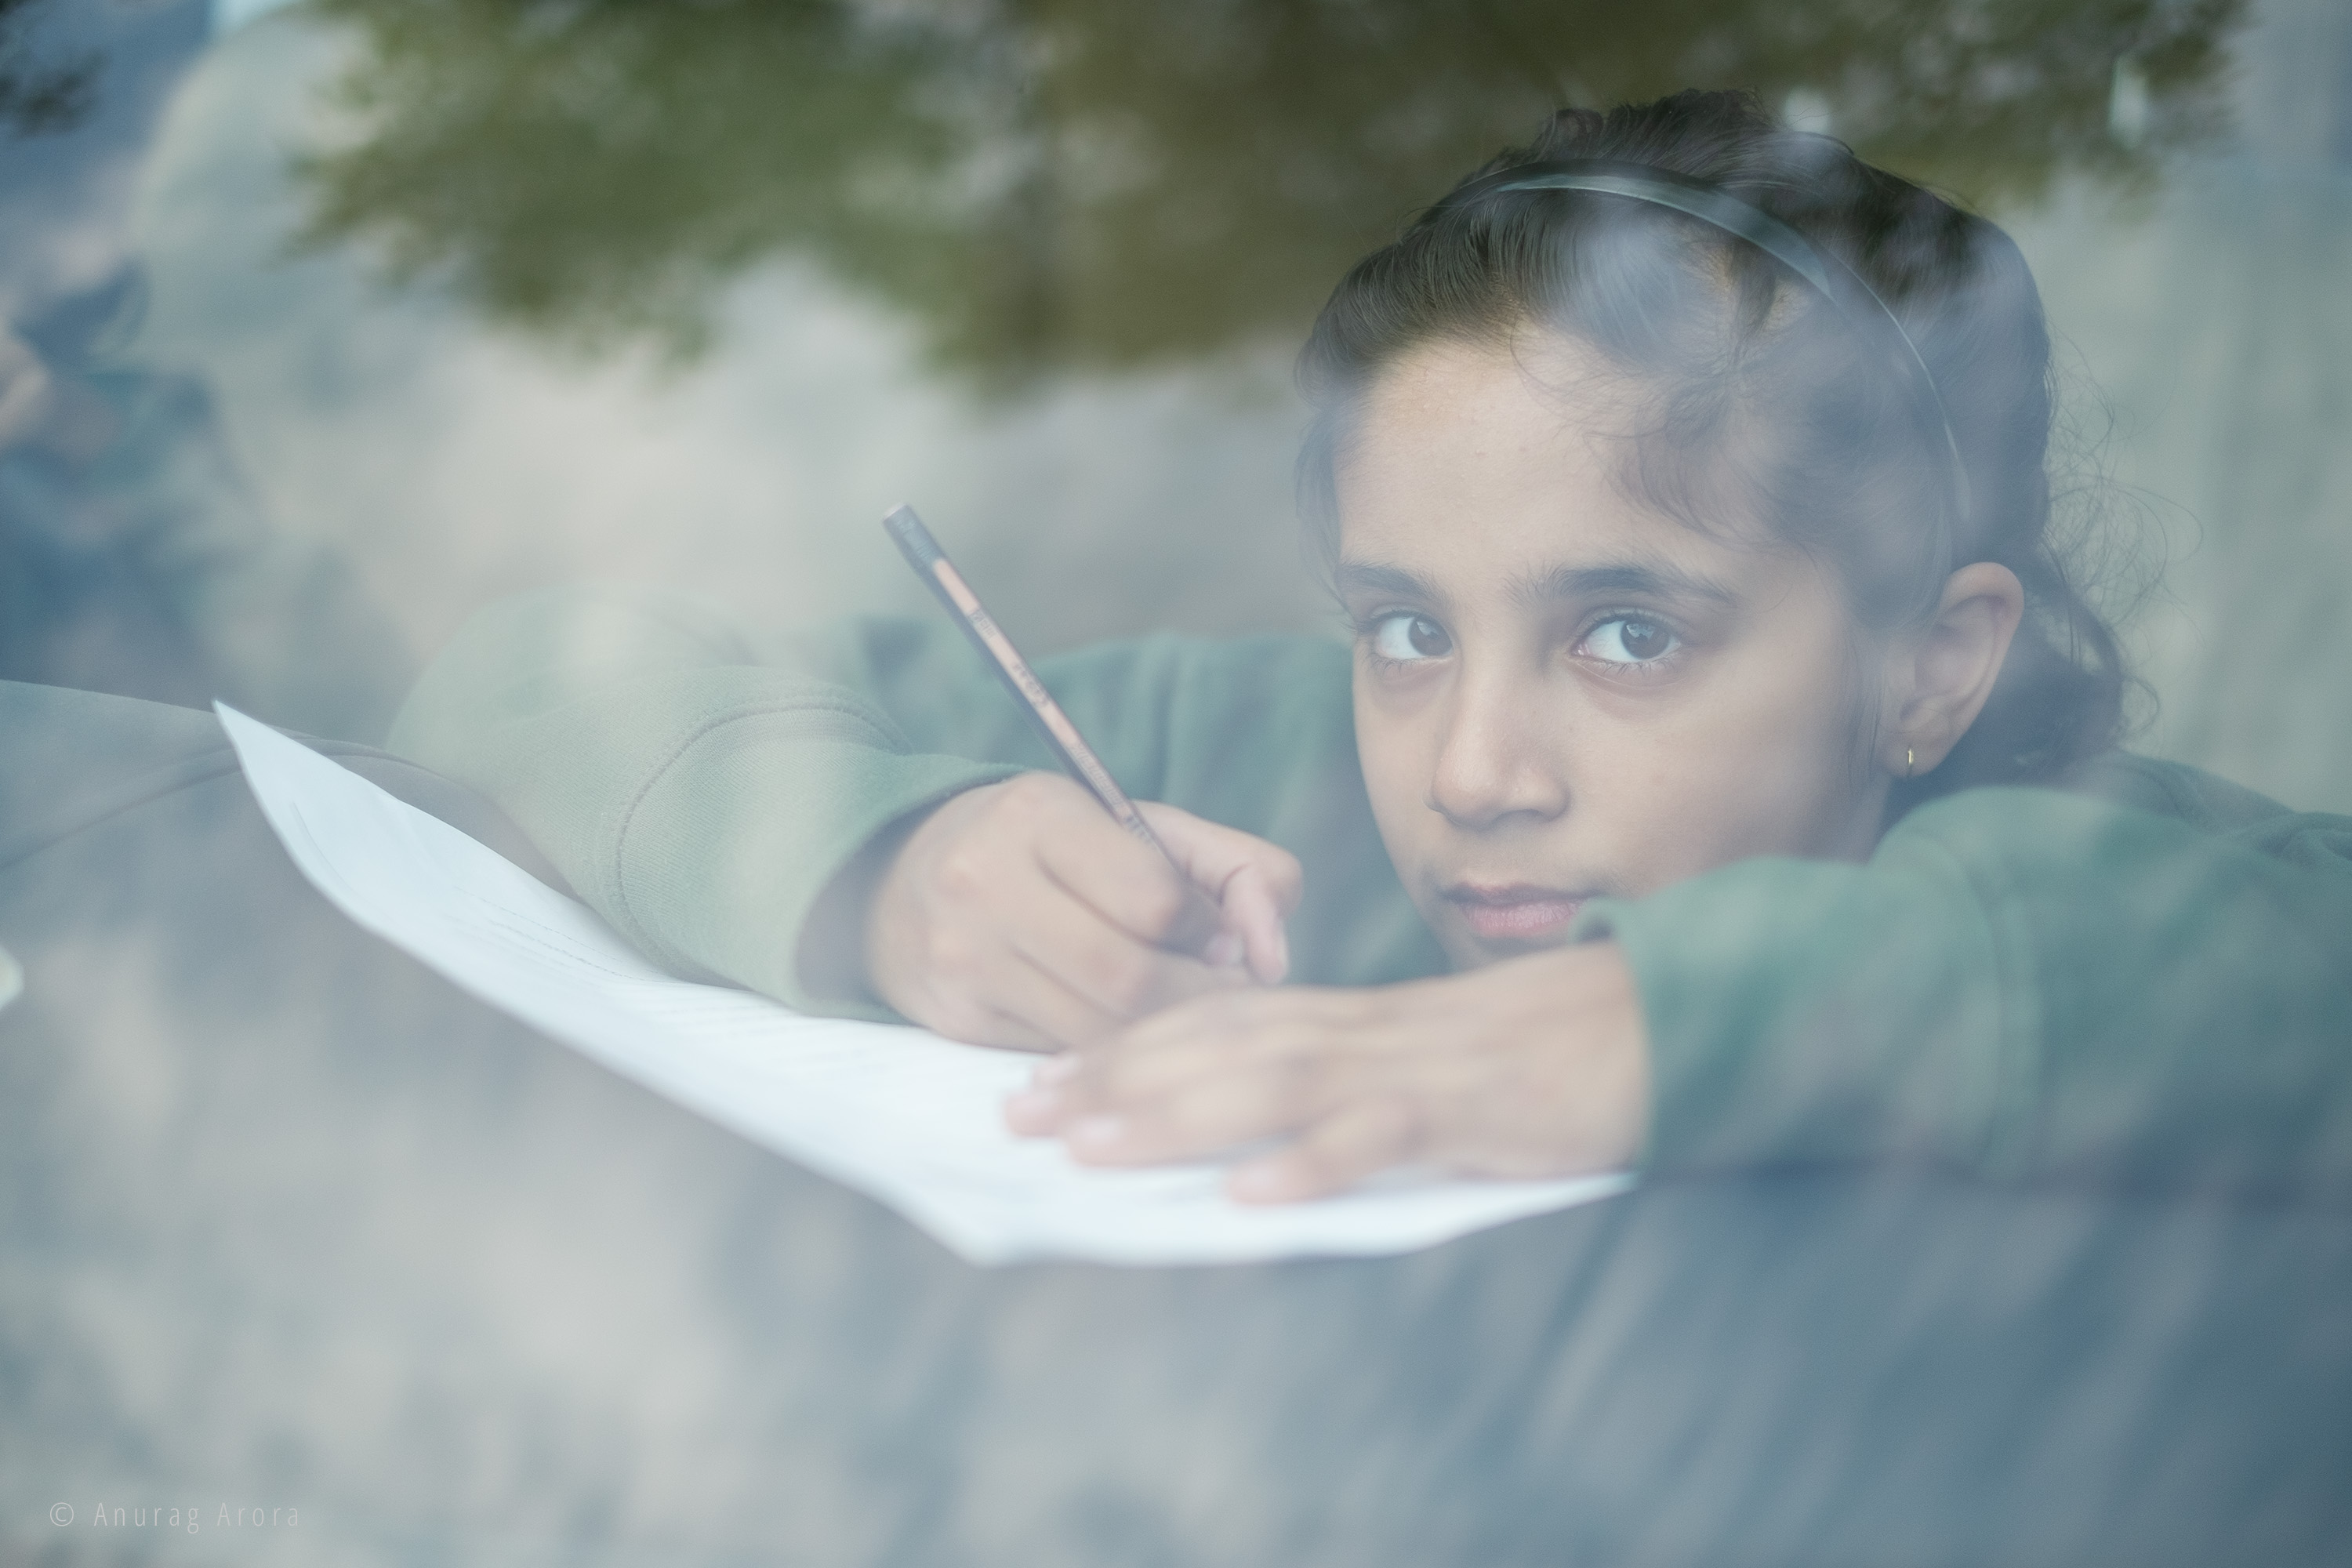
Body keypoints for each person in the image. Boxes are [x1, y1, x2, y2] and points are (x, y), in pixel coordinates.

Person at [387, 89, 2352, 1215]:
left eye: (1628, 631)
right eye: (1404, 626)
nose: (1473, 765)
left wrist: (1701, 1020)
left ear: (1934, 667)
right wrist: (886, 862)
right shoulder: (1246, 774)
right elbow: (534, 674)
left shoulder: (2140, 896)